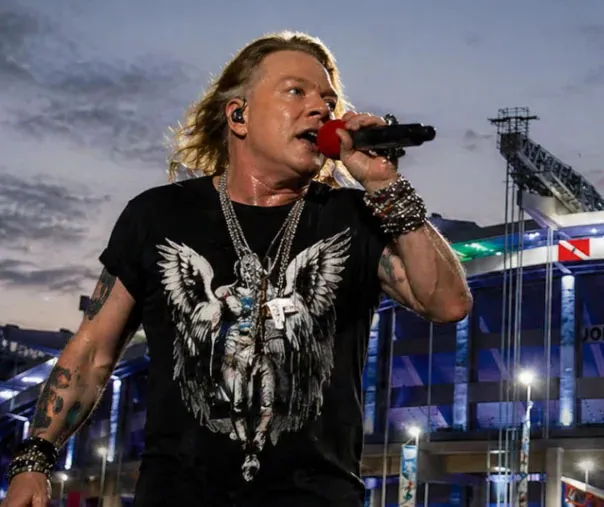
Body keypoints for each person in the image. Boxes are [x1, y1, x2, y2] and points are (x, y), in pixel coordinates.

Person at [2, 31, 472, 507]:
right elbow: (92, 353)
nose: (320, 109)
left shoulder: (355, 216)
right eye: (297, 91)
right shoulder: (158, 216)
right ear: (239, 114)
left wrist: (384, 184)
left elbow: (448, 303)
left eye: (329, 101)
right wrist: (32, 463)